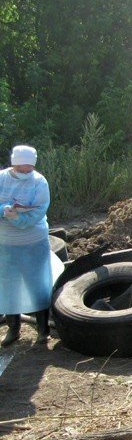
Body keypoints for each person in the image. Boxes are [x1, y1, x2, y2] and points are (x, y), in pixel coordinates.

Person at [0, 145, 54, 346]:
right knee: (7, 285)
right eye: (20, 169)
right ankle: (13, 329)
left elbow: (38, 211)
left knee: (37, 283)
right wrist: (3, 210)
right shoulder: (1, 178)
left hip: (33, 241)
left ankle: (43, 330)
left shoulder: (39, 182)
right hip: (5, 243)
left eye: (28, 169)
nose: (24, 173)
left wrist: (17, 219)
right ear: (13, 164)